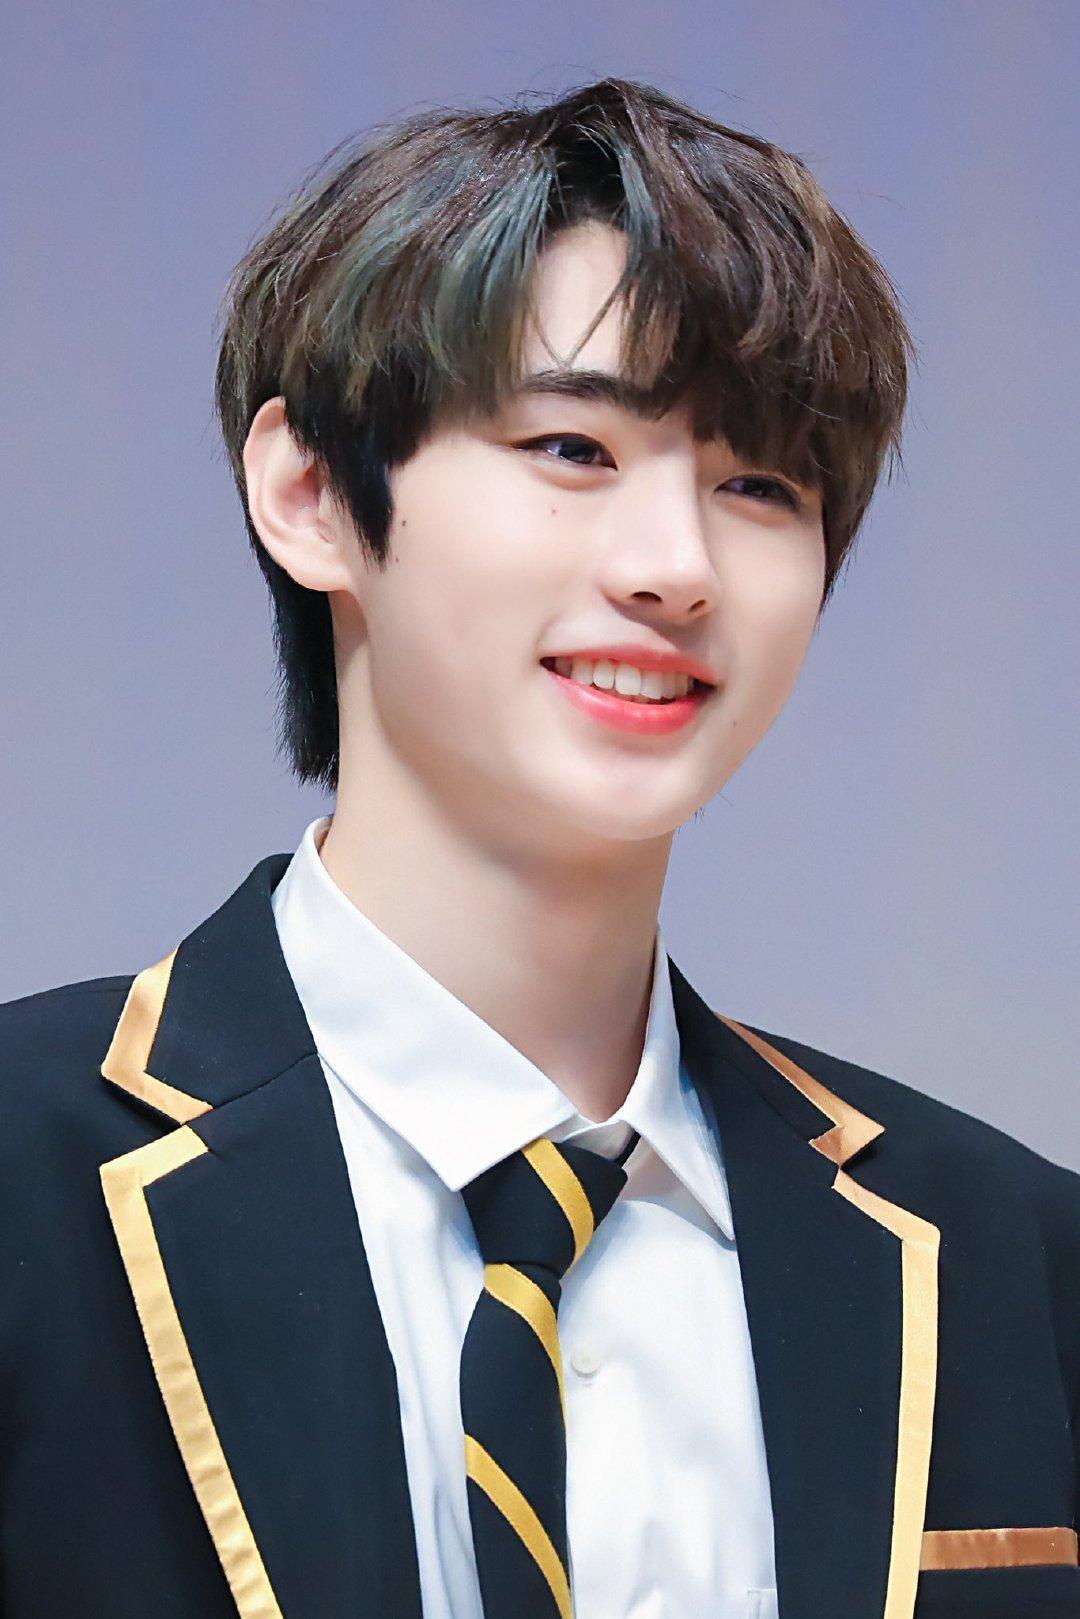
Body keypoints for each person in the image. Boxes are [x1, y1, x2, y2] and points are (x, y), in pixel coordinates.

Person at [1, 78, 1076, 1619]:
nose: (677, 569)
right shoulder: (27, 1177)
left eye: (759, 485)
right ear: (311, 493)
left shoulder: (1011, 1254)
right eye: (573, 447)